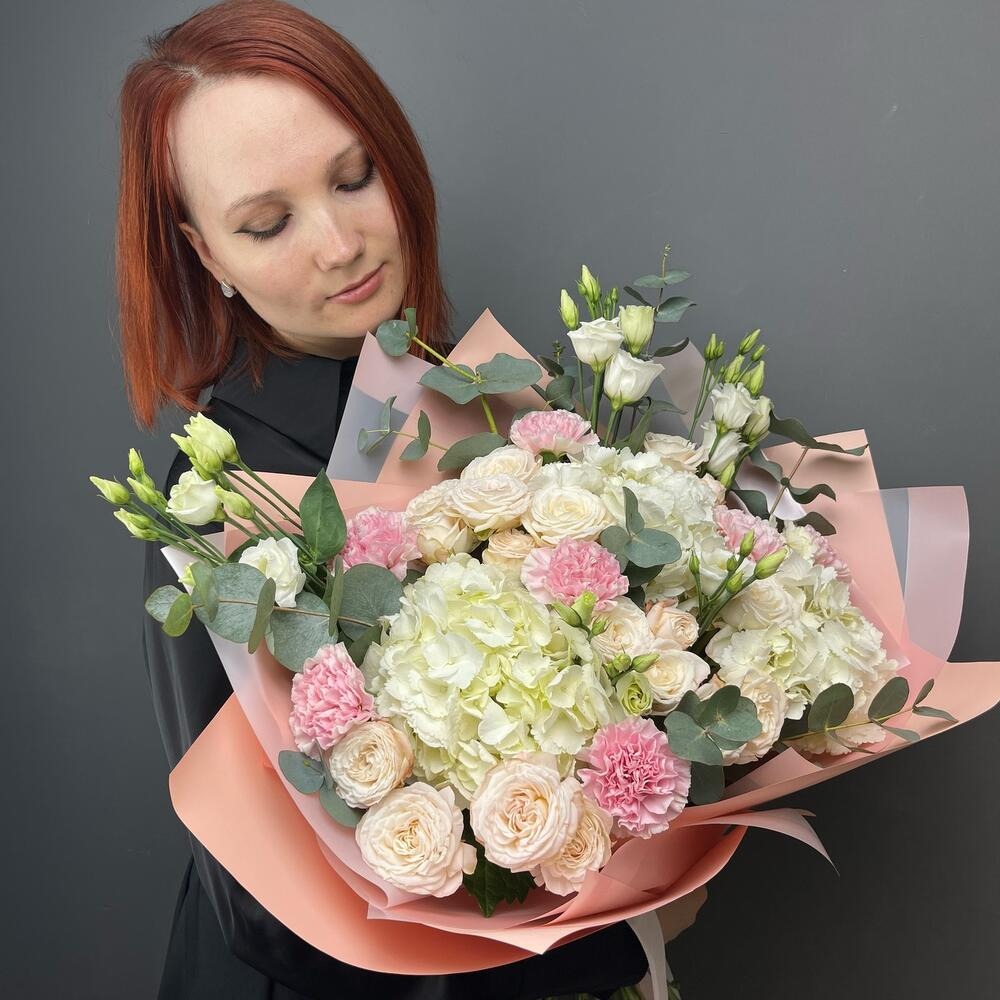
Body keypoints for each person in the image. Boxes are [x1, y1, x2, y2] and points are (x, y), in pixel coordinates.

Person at [116, 2, 660, 997]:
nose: (340, 243)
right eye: (267, 223)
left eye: (353, 176)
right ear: (208, 256)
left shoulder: (498, 402)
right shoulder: (217, 497)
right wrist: (586, 941)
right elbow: (260, 899)